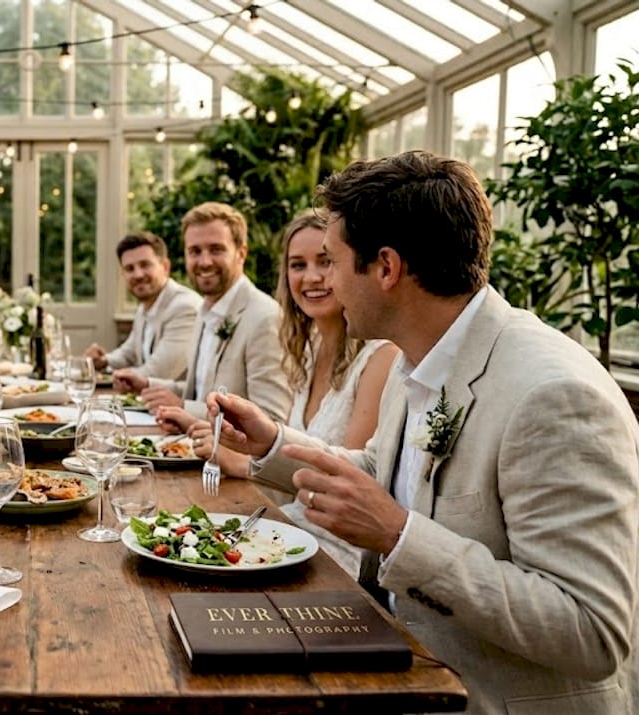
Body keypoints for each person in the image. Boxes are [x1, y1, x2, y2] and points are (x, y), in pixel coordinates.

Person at [211, 151, 639, 714]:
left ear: (386, 268)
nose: (327, 281)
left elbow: (591, 631)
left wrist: (397, 536)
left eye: (335, 261)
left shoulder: (553, 394)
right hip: (400, 671)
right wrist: (273, 443)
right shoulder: (416, 360)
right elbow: (384, 476)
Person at [192, 208, 397, 574]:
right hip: (285, 534)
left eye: (326, 261)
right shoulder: (309, 348)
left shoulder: (380, 356)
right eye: (297, 265)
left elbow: (349, 486)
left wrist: (245, 463)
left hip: (336, 558)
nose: (312, 277)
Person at [114, 201, 291, 433]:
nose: (204, 261)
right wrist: (148, 384)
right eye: (195, 251)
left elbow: (272, 420)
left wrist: (184, 408)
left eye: (216, 249)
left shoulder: (264, 318)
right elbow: (201, 391)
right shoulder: (204, 311)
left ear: (241, 253)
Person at [85, 231, 200, 381]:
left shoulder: (184, 307)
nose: (138, 275)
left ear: (165, 266)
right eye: (129, 268)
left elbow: (159, 372)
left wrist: (113, 376)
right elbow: (129, 352)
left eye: (145, 265)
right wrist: (103, 361)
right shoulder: (145, 305)